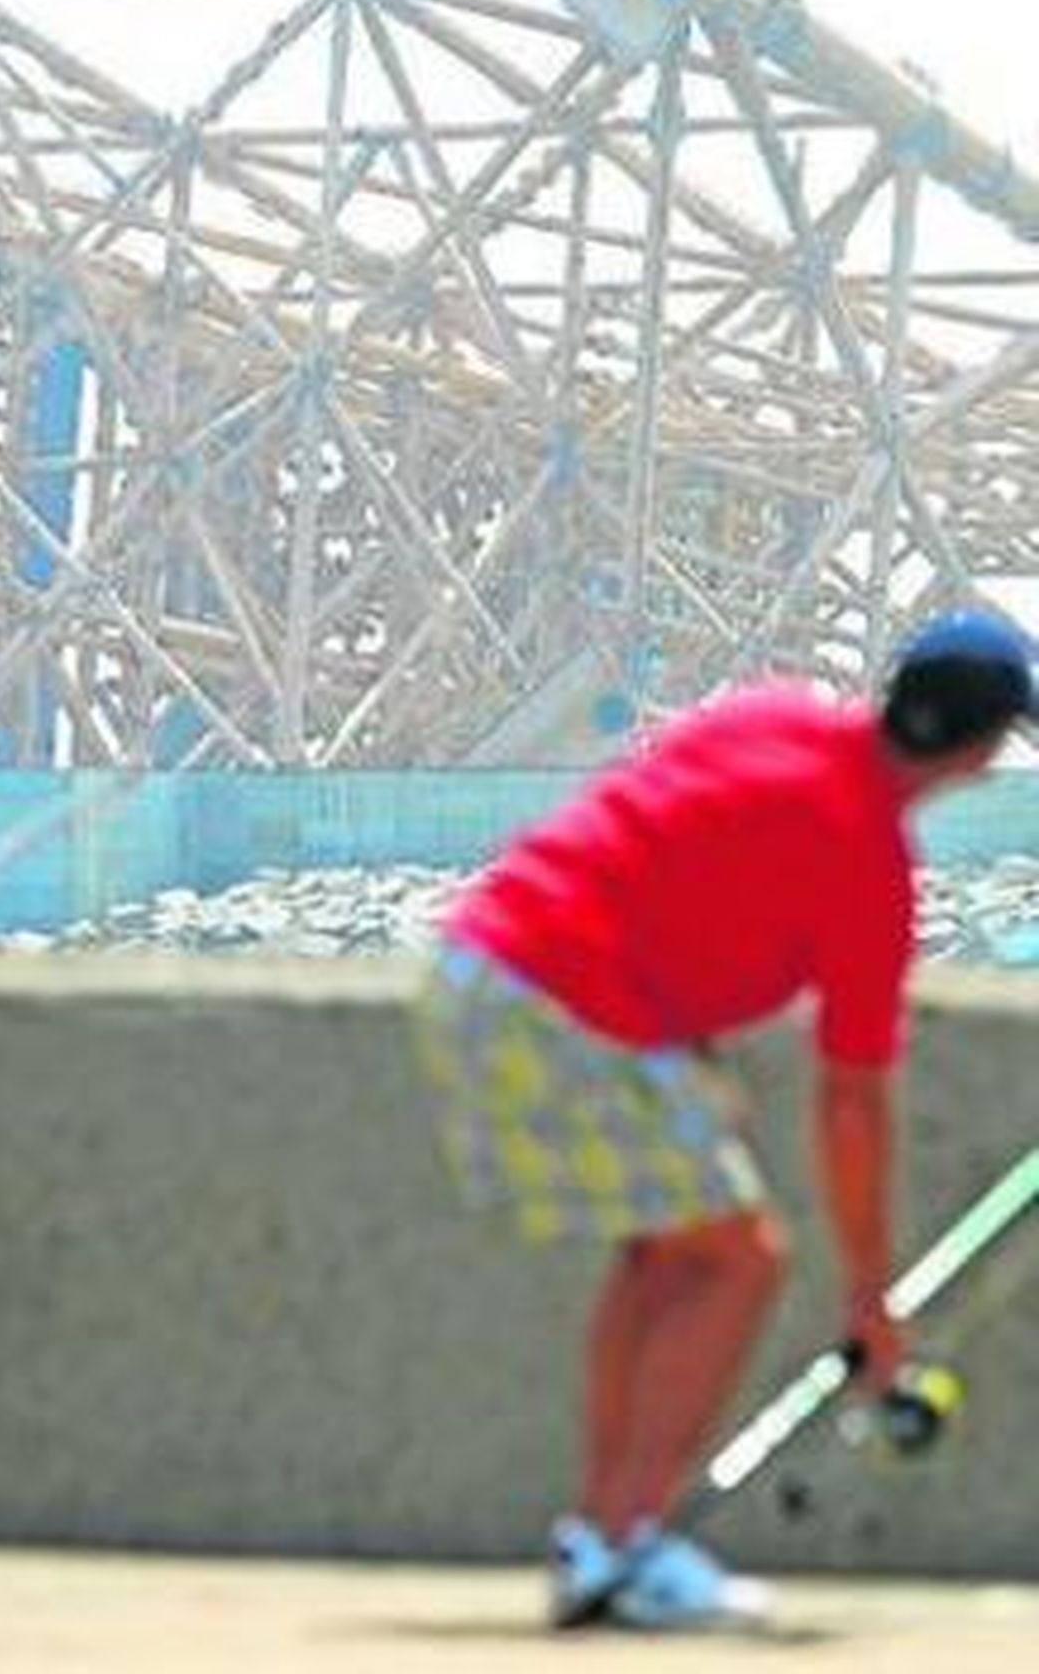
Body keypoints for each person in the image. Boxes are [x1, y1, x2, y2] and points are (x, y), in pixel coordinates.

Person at [417, 611, 1034, 1630]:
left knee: (666, 1256)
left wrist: (685, 1056)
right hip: (566, 994)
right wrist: (868, 1297)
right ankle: (627, 1544)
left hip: (482, 965)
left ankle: (597, 1535)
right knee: (740, 1258)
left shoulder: (771, 713)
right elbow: (851, 1101)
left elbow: (659, 853)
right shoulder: (870, 868)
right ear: (978, 749)